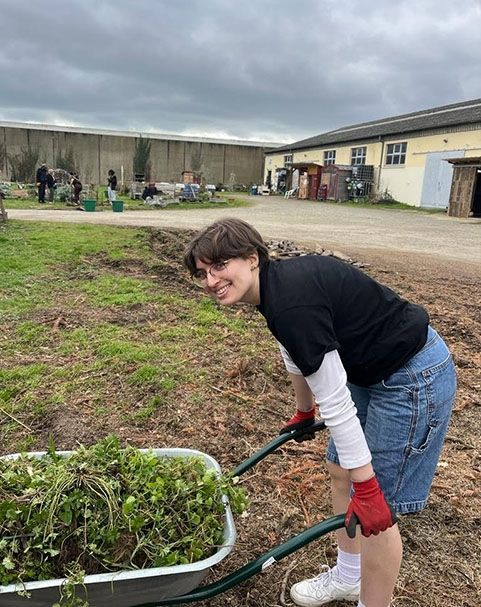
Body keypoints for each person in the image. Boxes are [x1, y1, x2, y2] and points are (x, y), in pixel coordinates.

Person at [183, 218, 456, 607]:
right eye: (202, 273)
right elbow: (295, 351)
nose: (211, 281)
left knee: (377, 512)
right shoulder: (271, 290)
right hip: (368, 369)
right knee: (341, 469)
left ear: (251, 258)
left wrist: (369, 486)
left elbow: (337, 402)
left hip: (412, 374)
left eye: (219, 266)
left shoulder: (292, 300)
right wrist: (303, 410)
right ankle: (348, 577)